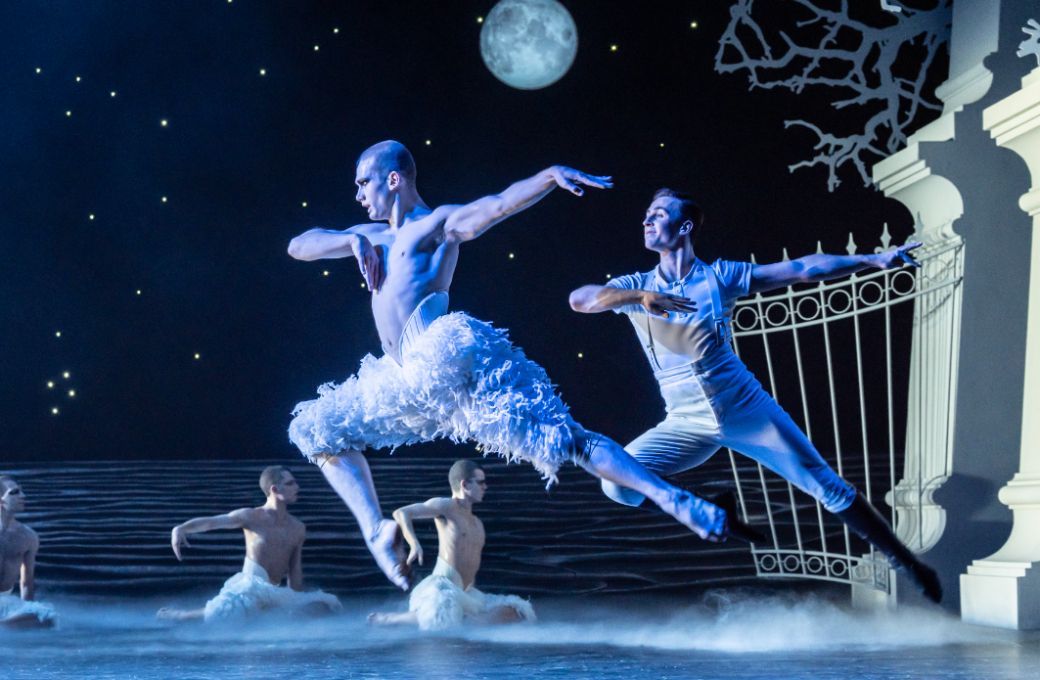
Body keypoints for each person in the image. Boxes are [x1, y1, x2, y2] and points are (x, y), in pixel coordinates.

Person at [287, 141, 748, 591]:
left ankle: (678, 501)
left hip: (442, 360)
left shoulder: (435, 224)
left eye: (363, 183)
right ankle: (376, 533)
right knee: (315, 430)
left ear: (393, 179)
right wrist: (351, 240)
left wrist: (547, 177)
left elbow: (498, 204)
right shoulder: (369, 238)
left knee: (567, 439)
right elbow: (298, 246)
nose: (358, 194)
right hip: (403, 378)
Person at [568, 187, 942, 603]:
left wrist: (873, 259)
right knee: (618, 483)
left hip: (744, 408)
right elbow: (579, 300)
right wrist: (639, 297)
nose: (647, 220)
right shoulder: (635, 286)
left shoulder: (719, 277)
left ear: (684, 226)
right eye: (647, 214)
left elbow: (802, 269)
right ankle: (705, 508)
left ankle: (909, 564)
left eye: (658, 214)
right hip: (685, 420)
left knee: (827, 486)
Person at [157, 465, 341, 621]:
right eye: (290, 483)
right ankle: (180, 616)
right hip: (250, 589)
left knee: (327, 605)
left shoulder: (298, 527)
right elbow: (212, 522)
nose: (297, 487)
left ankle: (270, 616)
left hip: (274, 593)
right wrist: (181, 528)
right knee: (232, 610)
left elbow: (295, 569)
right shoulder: (251, 516)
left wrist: (296, 601)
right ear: (274, 489)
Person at [369, 460, 534, 630]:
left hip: (466, 592)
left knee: (519, 611)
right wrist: (414, 543)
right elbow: (401, 512)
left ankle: (467, 618)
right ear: (465, 485)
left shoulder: (477, 523)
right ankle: (391, 619)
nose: (485, 487)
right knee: (443, 614)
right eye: (480, 482)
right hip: (442, 588)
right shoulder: (447, 506)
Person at [0, 476, 55, 628]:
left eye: (21, 491)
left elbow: (26, 582)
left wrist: (27, 609)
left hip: (5, 601)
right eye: (14, 492)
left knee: (46, 617)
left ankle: (4, 626)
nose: (23, 496)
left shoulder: (28, 536)